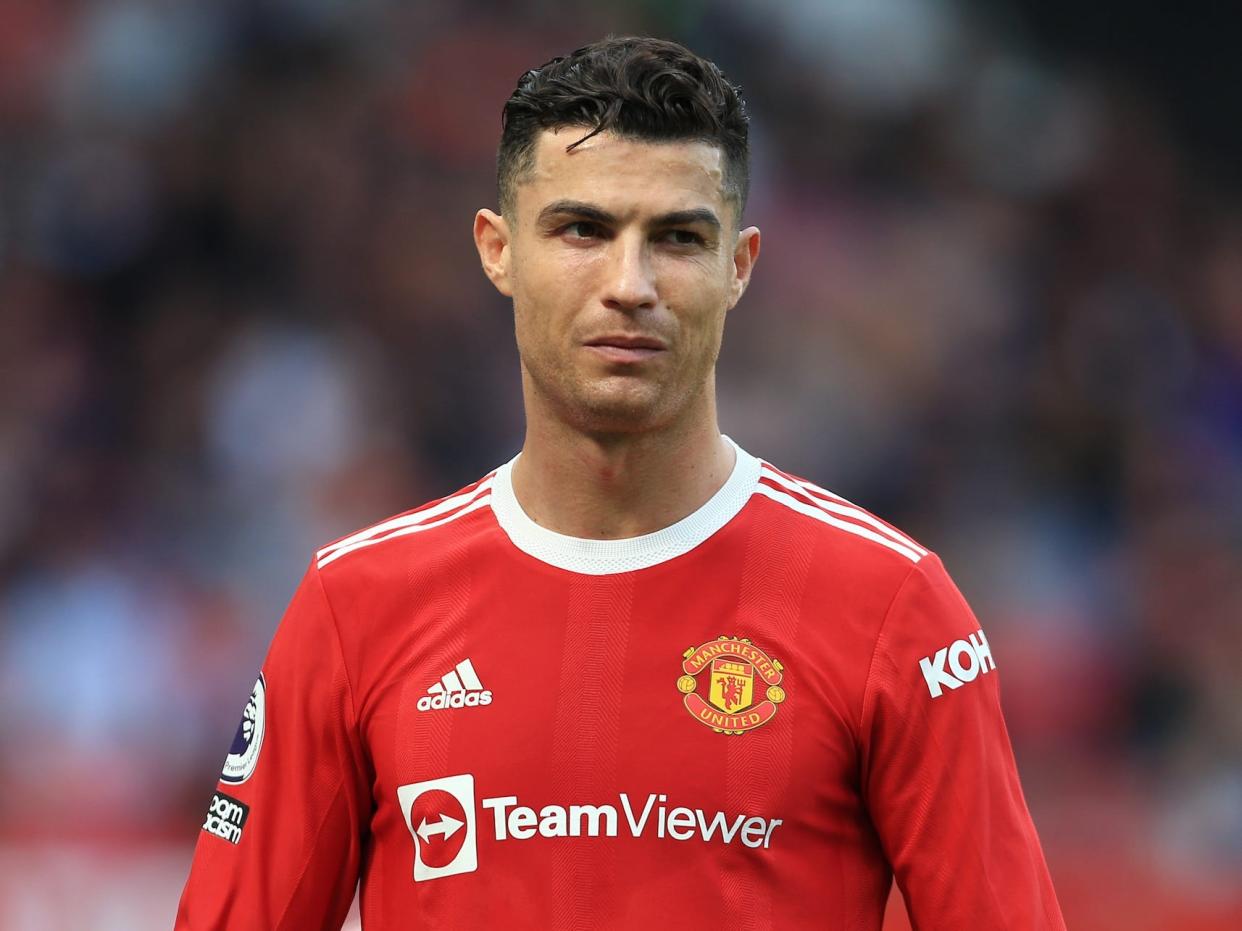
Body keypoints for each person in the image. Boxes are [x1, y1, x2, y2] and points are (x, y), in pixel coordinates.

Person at [176, 36, 1065, 930]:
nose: (630, 284)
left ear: (741, 266)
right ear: (498, 250)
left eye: (677, 238)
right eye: (582, 230)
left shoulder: (894, 608)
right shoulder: (357, 606)